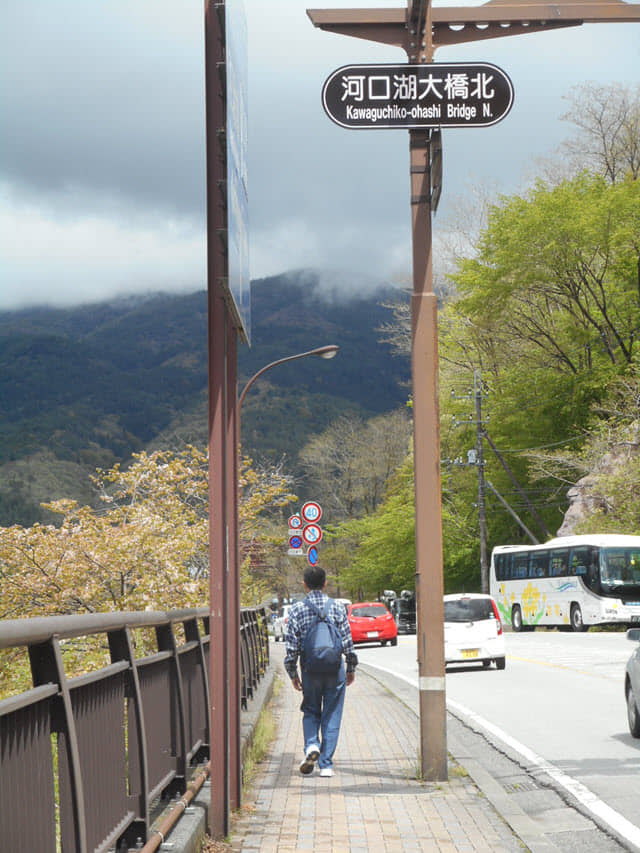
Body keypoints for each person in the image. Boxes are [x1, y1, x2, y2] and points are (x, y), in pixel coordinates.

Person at [284, 566, 357, 777]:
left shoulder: (297, 609)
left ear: (305, 585)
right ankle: (326, 765)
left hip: (309, 670)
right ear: (325, 584)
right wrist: (350, 667)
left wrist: (292, 674)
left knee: (311, 710)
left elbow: (291, 646)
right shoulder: (337, 607)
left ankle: (311, 746)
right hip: (335, 670)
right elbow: (347, 641)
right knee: (332, 714)